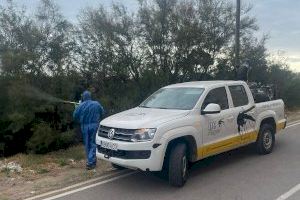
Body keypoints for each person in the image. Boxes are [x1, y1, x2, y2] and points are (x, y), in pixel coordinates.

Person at [73, 90, 105, 170]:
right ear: (90, 96)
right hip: (94, 125)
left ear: (83, 97)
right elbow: (102, 112)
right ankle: (91, 162)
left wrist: (77, 107)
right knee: (93, 143)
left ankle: (90, 162)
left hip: (84, 126)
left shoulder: (80, 105)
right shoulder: (96, 104)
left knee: (87, 144)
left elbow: (75, 116)